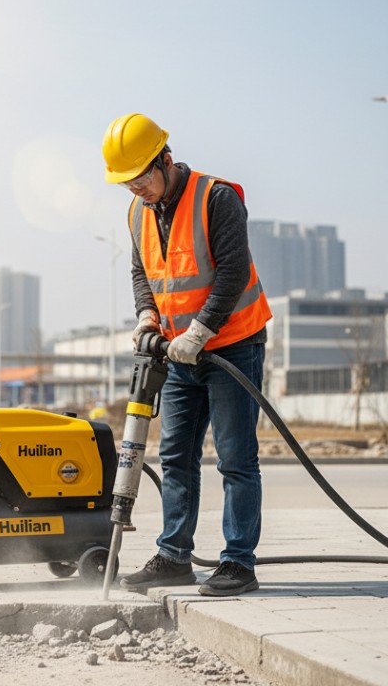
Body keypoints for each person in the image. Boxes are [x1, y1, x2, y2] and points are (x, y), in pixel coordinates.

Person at [102, 113, 272, 597]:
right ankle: (174, 556)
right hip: (178, 352)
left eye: (142, 178)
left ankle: (238, 562)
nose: (137, 190)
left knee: (236, 459)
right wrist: (146, 317)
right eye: (127, 184)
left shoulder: (216, 198)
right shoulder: (137, 212)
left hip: (232, 345)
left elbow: (234, 270)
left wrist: (201, 331)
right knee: (175, 456)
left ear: (166, 160)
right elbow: (143, 274)